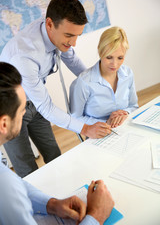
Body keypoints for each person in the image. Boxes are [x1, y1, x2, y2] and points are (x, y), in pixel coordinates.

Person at [0, 0, 111, 177]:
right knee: (27, 169)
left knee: (54, 154)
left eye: (77, 36)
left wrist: (96, 85)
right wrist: (85, 128)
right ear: (50, 24)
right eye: (69, 35)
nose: (73, 43)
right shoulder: (25, 55)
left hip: (34, 101)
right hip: (9, 109)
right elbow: (47, 107)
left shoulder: (52, 30)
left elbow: (72, 59)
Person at [0, 62, 114, 224]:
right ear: (4, 124)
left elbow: (15, 185)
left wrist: (51, 204)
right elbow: (9, 188)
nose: (26, 112)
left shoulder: (7, 183)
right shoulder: (5, 185)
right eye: (21, 110)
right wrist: (96, 216)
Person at [70, 26, 138, 128]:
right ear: (100, 52)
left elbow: (134, 106)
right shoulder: (83, 82)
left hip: (126, 127)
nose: (115, 64)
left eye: (120, 58)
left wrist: (125, 114)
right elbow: (75, 118)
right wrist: (106, 123)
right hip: (98, 134)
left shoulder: (128, 73)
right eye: (109, 57)